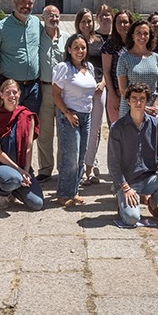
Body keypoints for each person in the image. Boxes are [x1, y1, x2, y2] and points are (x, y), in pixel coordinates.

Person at [108, 83, 158, 225]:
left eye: (142, 99)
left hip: (148, 178)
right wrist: (125, 187)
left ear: (147, 101)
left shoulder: (155, 124)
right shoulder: (117, 128)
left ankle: (153, 202)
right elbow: (113, 163)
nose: (138, 102)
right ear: (128, 101)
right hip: (127, 182)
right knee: (132, 219)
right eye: (134, 98)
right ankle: (122, 201)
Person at [0, 80, 43, 210]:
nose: (12, 95)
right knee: (14, 179)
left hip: (22, 167)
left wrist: (26, 171)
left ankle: (13, 190)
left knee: (37, 204)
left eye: (15, 92)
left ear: (19, 94)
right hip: (1, 166)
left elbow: (28, 147)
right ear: (1, 95)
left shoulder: (28, 116)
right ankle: (1, 192)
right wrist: (19, 171)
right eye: (8, 92)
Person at [52, 34, 97, 206]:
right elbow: (55, 95)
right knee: (70, 156)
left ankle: (74, 191)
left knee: (80, 156)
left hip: (86, 115)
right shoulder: (64, 68)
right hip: (70, 115)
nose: (80, 51)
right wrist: (67, 113)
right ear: (69, 49)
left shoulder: (90, 68)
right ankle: (64, 194)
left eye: (83, 47)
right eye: (76, 47)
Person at [0, 0, 42, 113]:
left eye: (30, 3)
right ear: (15, 2)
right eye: (23, 2)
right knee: (8, 125)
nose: (26, 5)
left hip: (33, 88)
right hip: (10, 87)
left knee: (30, 125)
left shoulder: (36, 22)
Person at [76, 8, 107, 185]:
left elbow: (105, 65)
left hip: (98, 89)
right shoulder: (75, 41)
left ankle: (89, 169)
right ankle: (79, 168)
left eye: (89, 21)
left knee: (94, 130)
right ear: (78, 24)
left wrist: (102, 83)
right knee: (81, 130)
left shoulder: (99, 40)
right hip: (81, 91)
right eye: (83, 21)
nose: (87, 24)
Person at [36, 5, 66, 182]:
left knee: (63, 132)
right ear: (43, 17)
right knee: (45, 132)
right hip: (44, 88)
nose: (53, 19)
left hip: (63, 92)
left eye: (56, 15)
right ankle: (45, 169)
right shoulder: (37, 39)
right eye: (50, 16)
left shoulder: (67, 39)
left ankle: (63, 168)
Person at [116, 19, 158, 118]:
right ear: (133, 36)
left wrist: (155, 105)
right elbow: (122, 89)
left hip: (152, 110)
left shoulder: (156, 57)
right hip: (130, 111)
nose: (142, 36)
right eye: (138, 33)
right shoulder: (124, 58)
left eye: (145, 33)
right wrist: (142, 107)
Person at [101, 9, 132, 124]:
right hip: (116, 92)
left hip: (135, 94)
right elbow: (107, 71)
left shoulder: (137, 44)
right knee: (117, 130)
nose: (121, 25)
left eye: (125, 22)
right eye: (118, 22)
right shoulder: (109, 45)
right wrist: (113, 95)